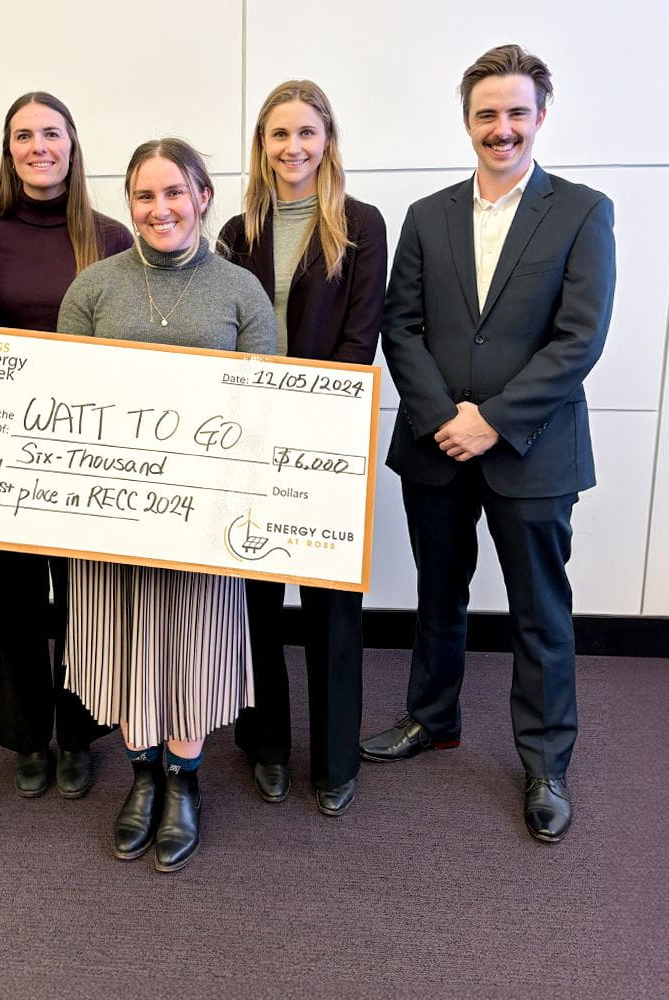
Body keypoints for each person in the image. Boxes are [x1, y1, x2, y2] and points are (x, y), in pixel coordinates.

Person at [360, 44, 616, 843]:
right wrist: (444, 416)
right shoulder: (426, 214)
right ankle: (432, 718)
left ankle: (545, 763)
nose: (501, 129)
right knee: (439, 593)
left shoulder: (582, 211)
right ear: (467, 121)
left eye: (515, 113)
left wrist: (493, 420)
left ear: (541, 115)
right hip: (435, 444)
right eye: (486, 115)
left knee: (540, 611)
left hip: (533, 449)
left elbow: (579, 339)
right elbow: (400, 325)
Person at [57, 138, 276, 872]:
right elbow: (62, 400)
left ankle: (183, 780)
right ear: (129, 204)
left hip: (206, 517)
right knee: (120, 641)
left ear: (203, 197)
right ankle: (142, 775)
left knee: (194, 643)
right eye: (144, 196)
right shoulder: (92, 288)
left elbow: (266, 407)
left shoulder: (242, 291)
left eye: (174, 193)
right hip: (112, 510)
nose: (160, 209)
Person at [218, 80, 387, 817]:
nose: (293, 147)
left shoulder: (361, 223)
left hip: (326, 438)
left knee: (331, 607)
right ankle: (267, 747)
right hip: (249, 435)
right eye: (279, 134)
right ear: (262, 145)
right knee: (253, 599)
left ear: (327, 140)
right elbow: (223, 331)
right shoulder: (236, 231)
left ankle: (335, 760)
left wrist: (307, 416)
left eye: (306, 133)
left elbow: (360, 338)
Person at [0, 92, 131, 799]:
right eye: (23, 135)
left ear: (72, 145)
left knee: (82, 596)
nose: (38, 146)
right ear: (8, 150)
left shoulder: (111, 237)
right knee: (12, 596)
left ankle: (78, 733)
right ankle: (25, 736)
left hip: (88, 448)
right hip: (6, 446)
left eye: (51, 133)